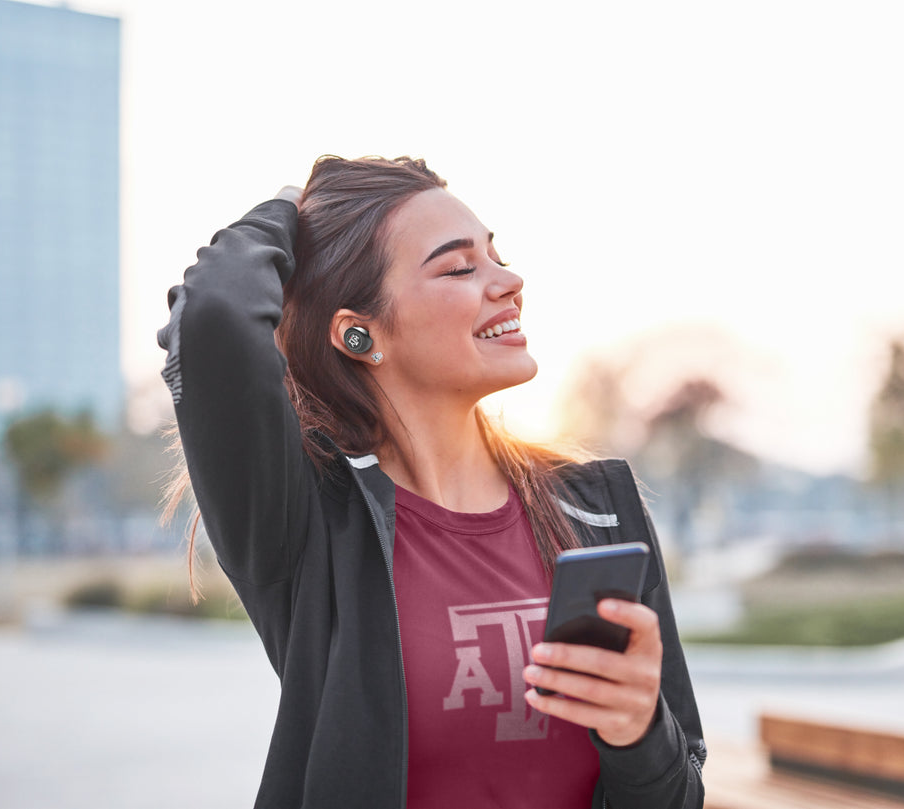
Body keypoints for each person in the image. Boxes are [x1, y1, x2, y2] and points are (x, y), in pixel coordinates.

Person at [158, 156, 705, 808]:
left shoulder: (595, 507)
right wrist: (289, 205)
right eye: (459, 267)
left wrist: (639, 730)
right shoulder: (307, 522)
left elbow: (681, 793)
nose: (510, 281)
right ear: (358, 334)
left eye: (497, 256)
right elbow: (215, 313)